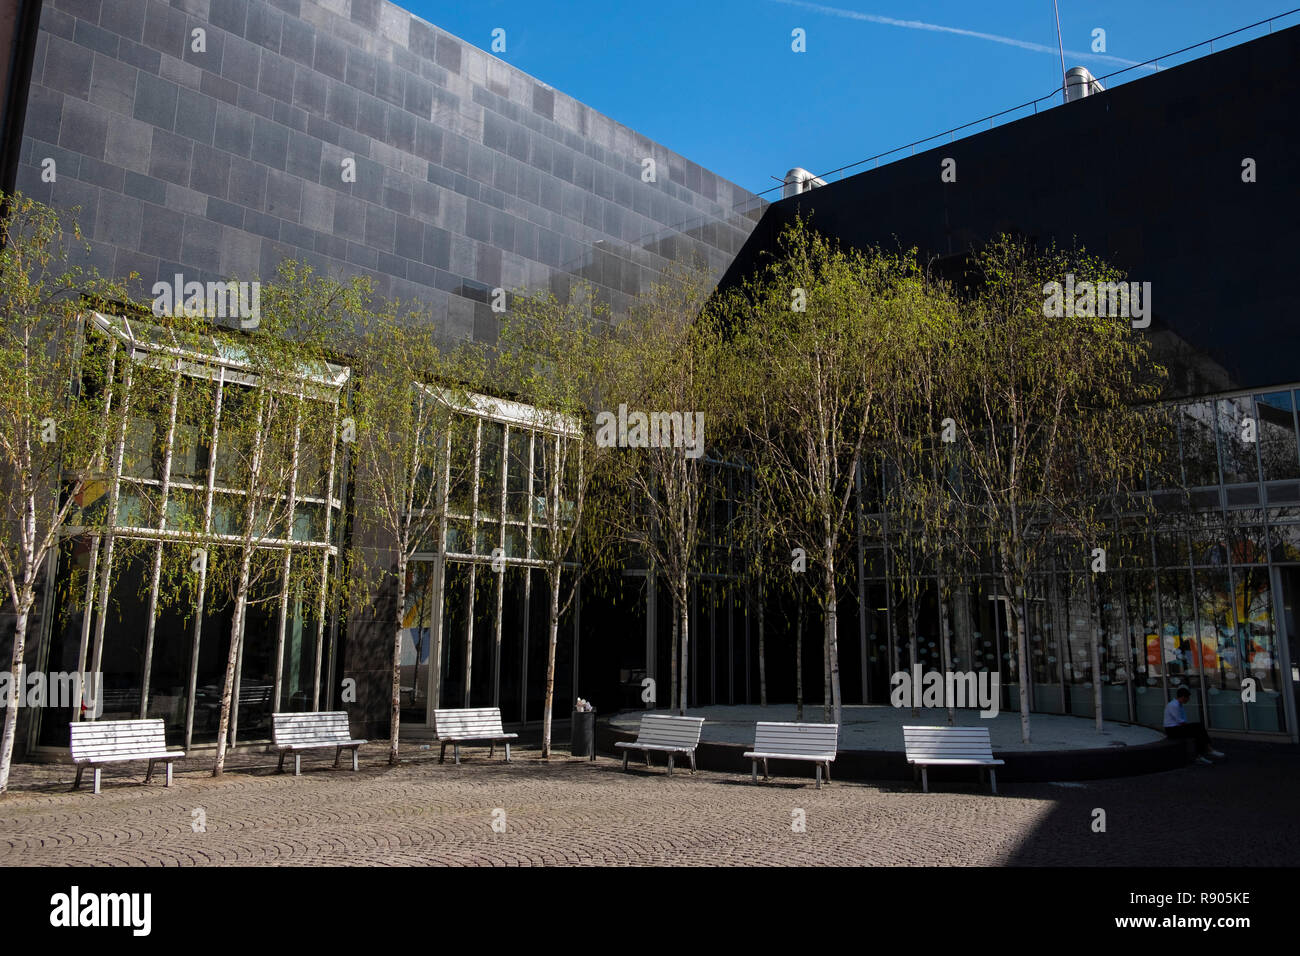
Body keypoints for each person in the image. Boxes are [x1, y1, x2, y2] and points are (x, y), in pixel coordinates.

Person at [1163, 687, 1224, 765]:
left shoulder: (1178, 704)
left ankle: (1202, 753)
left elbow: (1182, 721)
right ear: (1182, 697)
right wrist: (1191, 728)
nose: (1188, 700)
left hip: (1176, 728)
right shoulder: (1174, 705)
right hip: (1172, 730)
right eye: (1187, 698)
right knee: (1197, 729)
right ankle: (1207, 750)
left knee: (1197, 729)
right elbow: (1180, 721)